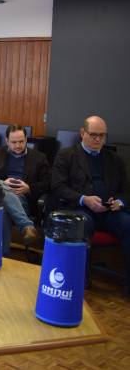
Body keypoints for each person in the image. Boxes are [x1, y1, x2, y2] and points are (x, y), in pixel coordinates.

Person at [52, 116, 129, 295]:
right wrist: (84, 199)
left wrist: (119, 202)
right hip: (80, 208)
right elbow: (57, 187)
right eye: (94, 135)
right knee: (81, 224)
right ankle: (81, 281)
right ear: (82, 133)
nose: (98, 139)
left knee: (128, 224)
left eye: (102, 136)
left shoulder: (114, 159)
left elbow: (126, 191)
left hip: (109, 211)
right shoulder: (67, 155)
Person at [0, 124, 46, 254]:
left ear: (26, 139)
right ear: (7, 141)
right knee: (1, 193)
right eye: (14, 142)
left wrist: (29, 188)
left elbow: (48, 184)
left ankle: (2, 256)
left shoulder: (39, 158)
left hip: (23, 200)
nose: (18, 145)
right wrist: (2, 183)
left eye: (21, 141)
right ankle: (27, 226)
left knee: (2, 206)